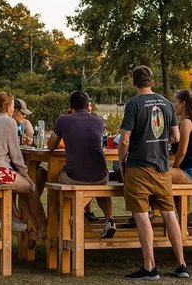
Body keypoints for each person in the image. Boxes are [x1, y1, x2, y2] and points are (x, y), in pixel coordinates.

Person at [118, 66, 188, 280]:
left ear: (134, 82)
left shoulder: (133, 104)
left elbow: (124, 140)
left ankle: (150, 267)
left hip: (139, 167)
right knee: (169, 214)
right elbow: (175, 136)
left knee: (141, 216)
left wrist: (121, 161)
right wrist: (160, 141)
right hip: (162, 168)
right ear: (151, 81)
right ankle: (181, 265)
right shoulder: (167, 103)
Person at [0, 91, 47, 237]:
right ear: (7, 107)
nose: (13, 110)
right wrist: (26, 175)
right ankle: (44, 228)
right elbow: (16, 155)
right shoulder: (9, 122)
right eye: (13, 106)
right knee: (31, 187)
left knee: (22, 184)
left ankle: (16, 219)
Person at [47, 90, 116, 239]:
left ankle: (64, 218)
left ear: (70, 106)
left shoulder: (64, 119)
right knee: (100, 181)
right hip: (100, 176)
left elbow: (51, 146)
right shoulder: (98, 120)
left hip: (75, 177)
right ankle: (109, 219)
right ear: (88, 106)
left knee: (56, 175)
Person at [170, 89, 192, 226]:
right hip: (188, 168)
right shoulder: (185, 123)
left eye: (176, 102)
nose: (174, 105)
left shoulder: (186, 123)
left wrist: (174, 167)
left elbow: (182, 152)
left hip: (189, 170)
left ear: (183, 104)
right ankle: (182, 223)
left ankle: (152, 213)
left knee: (156, 175)